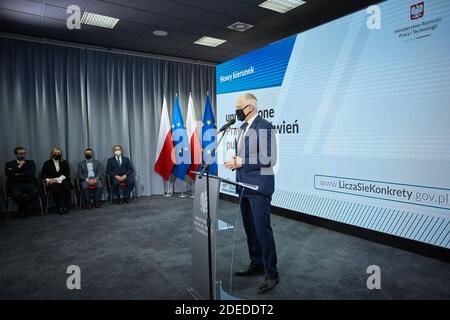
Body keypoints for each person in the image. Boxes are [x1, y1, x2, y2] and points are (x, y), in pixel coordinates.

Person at [224, 93, 279, 294]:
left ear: (250, 108)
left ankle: (271, 273)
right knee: (250, 230)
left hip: (259, 188)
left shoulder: (264, 126)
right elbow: (246, 156)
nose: (236, 110)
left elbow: (269, 158)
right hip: (244, 186)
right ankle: (256, 263)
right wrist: (236, 162)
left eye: (238, 107)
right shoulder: (241, 128)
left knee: (262, 231)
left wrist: (242, 162)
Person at [4, 147, 39, 218]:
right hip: (16, 184)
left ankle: (22, 209)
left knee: (35, 192)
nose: (22, 155)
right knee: (16, 195)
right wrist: (20, 166)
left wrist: (17, 174)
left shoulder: (31, 162)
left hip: (29, 183)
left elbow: (31, 173)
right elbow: (9, 174)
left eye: (24, 153)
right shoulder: (9, 164)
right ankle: (26, 209)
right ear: (16, 154)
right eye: (20, 153)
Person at [40, 147, 73, 214]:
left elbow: (67, 174)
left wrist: (57, 179)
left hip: (63, 180)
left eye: (58, 153)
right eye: (55, 153)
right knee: (56, 188)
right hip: (51, 181)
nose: (57, 154)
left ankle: (66, 206)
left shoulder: (65, 162)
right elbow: (43, 175)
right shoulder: (47, 163)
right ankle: (59, 206)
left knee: (66, 187)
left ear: (61, 154)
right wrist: (49, 180)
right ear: (52, 154)